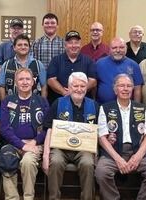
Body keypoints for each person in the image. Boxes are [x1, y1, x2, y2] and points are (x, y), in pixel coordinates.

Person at [95, 74, 146, 200]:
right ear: (115, 89)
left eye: (129, 86)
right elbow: (102, 137)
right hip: (113, 153)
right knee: (101, 173)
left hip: (139, 151)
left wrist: (137, 156)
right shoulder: (105, 108)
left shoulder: (142, 108)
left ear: (133, 89)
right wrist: (118, 159)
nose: (125, 89)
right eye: (121, 86)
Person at [42, 72, 99, 200]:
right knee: (55, 161)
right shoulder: (58, 103)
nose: (79, 89)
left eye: (82, 86)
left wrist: (96, 153)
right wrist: (45, 155)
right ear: (68, 87)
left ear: (86, 88)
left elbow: (98, 133)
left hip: (84, 150)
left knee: (88, 163)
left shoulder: (94, 105)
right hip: (60, 148)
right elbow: (49, 130)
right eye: (75, 86)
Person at [0, 68, 50, 200]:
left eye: (28, 79)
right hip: (13, 143)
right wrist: (21, 144)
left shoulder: (42, 101)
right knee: (7, 158)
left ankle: (28, 197)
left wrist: (34, 142)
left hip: (35, 144)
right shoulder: (7, 101)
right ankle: (12, 198)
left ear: (33, 82)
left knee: (28, 162)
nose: (25, 82)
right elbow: (4, 128)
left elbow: (48, 127)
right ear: (16, 82)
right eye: (21, 79)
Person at [47, 30, 96, 104]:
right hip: (60, 102)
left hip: (83, 104)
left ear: (80, 44)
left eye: (76, 43)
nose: (73, 46)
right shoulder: (56, 60)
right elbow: (51, 80)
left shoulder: (88, 61)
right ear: (65, 45)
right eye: (70, 43)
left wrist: (78, 91)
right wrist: (65, 92)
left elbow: (93, 81)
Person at [95, 37, 144, 104]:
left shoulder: (134, 65)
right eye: (114, 48)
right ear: (109, 49)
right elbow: (94, 86)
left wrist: (136, 108)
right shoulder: (99, 64)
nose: (118, 50)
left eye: (121, 47)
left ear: (126, 48)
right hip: (102, 106)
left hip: (126, 108)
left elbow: (137, 89)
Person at [0, 34, 47, 100]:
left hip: (34, 105)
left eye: (26, 45)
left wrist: (43, 104)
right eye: (19, 45)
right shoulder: (6, 65)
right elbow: (1, 86)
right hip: (12, 105)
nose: (23, 47)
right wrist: (4, 104)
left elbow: (44, 86)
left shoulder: (38, 65)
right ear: (14, 48)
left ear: (29, 47)